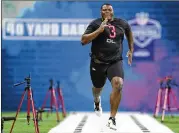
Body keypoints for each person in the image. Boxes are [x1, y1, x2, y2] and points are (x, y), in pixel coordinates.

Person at [81, 3, 134, 130]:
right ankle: (96, 101)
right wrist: (99, 30)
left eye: (109, 9)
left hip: (115, 61)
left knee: (118, 83)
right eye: (104, 10)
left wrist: (131, 49)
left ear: (113, 11)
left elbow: (129, 32)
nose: (107, 11)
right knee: (97, 88)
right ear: (100, 12)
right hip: (98, 62)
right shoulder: (95, 23)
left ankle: (112, 119)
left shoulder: (122, 23)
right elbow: (83, 40)